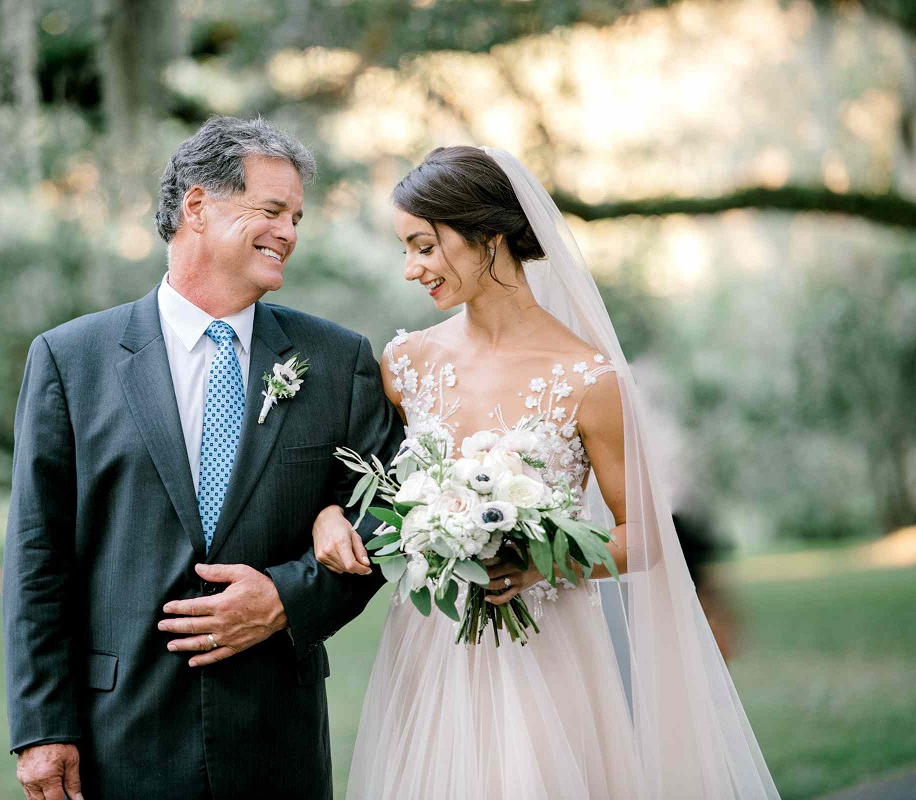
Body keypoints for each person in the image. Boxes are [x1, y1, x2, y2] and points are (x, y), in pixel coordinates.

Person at [311, 146, 779, 798]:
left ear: (488, 236)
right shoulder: (406, 364)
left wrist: (540, 562)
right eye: (406, 250)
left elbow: (643, 536)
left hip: (549, 651)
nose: (413, 269)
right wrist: (332, 512)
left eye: (424, 246)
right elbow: (344, 477)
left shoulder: (590, 379)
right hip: (430, 649)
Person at [2, 116, 404, 800]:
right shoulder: (71, 360)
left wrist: (287, 597)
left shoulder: (337, 361)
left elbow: (396, 507)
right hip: (119, 732)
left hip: (276, 731)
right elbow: (38, 555)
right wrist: (42, 728)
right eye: (272, 209)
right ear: (197, 205)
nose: (290, 232)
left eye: (297, 217)